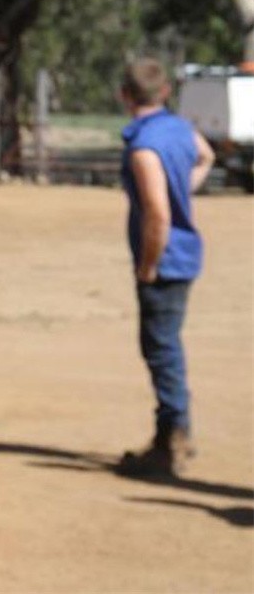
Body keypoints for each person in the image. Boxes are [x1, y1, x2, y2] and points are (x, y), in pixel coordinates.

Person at [117, 58, 215, 478]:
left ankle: (172, 439)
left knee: (161, 350)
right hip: (186, 254)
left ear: (125, 96)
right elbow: (205, 156)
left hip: (166, 261)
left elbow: (157, 215)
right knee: (165, 346)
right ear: (164, 94)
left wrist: (148, 265)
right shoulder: (177, 129)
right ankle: (175, 432)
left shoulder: (144, 147)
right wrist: (183, 191)